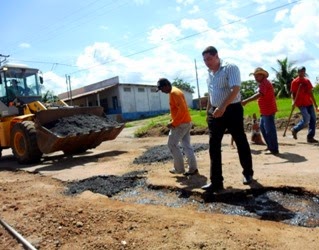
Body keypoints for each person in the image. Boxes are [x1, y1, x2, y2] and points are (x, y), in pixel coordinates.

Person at [201, 46, 254, 192]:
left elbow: (235, 89)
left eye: (209, 59)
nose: (207, 62)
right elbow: (211, 96)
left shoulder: (230, 68)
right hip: (215, 111)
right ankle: (216, 182)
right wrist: (208, 113)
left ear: (217, 56)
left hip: (232, 110)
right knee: (214, 145)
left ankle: (248, 173)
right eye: (205, 60)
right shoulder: (209, 74)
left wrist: (223, 107)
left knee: (240, 140)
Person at [156, 78, 198, 176]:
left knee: (172, 144)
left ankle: (179, 169)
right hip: (186, 122)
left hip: (181, 124)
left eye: (162, 89)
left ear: (166, 85)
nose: (162, 91)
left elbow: (182, 110)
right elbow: (179, 109)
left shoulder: (175, 93)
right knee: (186, 145)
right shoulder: (174, 91)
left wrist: (174, 123)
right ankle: (193, 168)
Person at [242, 67, 279, 154]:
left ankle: (274, 148)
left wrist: (246, 101)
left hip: (268, 110)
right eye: (254, 76)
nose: (255, 78)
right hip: (264, 110)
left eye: (257, 76)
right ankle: (270, 146)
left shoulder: (265, 83)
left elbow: (259, 94)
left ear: (262, 75)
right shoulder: (262, 83)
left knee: (270, 130)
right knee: (263, 128)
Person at [290, 66, 318, 143]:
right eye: (300, 71)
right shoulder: (295, 82)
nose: (301, 73)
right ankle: (295, 129)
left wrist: (315, 105)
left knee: (313, 119)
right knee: (306, 119)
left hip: (309, 103)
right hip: (301, 104)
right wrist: (293, 102)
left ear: (304, 72)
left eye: (303, 71)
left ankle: (310, 137)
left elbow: (311, 93)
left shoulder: (307, 81)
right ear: (298, 72)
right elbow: (292, 94)